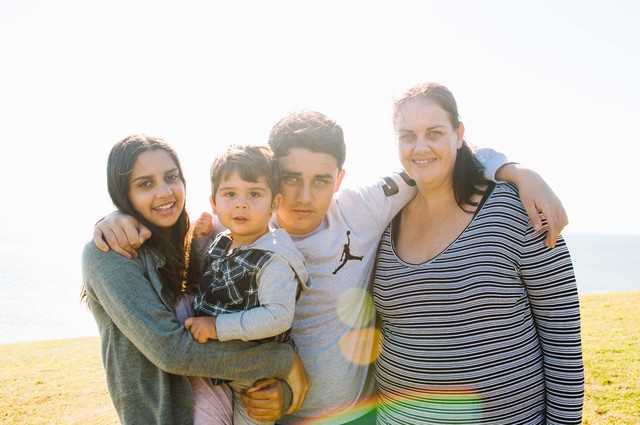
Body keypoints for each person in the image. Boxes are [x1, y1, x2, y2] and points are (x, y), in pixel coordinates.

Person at [93, 114, 568, 424]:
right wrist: (113, 219)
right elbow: (170, 236)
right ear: (271, 179)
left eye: (321, 181)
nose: (304, 196)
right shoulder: (232, 228)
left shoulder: (361, 208)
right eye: (290, 180)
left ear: (339, 179)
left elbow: (435, 160)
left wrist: (517, 171)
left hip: (359, 414)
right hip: (271, 413)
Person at [372, 82, 583, 424]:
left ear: (459, 134)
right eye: (407, 135)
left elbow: (562, 337)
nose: (420, 147)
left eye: (435, 132)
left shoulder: (516, 208)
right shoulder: (383, 218)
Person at [81, 134, 310, 424]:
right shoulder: (109, 254)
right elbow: (172, 352)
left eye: (171, 177)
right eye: (145, 183)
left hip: (232, 409)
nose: (164, 192)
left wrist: (278, 393)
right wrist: (283, 361)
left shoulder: (195, 241)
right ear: (121, 191)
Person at [184, 144, 310, 425]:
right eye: (230, 194)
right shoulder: (222, 241)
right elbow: (206, 277)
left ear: (274, 203)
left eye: (254, 194)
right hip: (220, 368)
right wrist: (199, 240)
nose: (241, 203)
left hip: (255, 378)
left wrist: (216, 327)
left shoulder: (274, 256)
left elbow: (277, 316)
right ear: (214, 203)